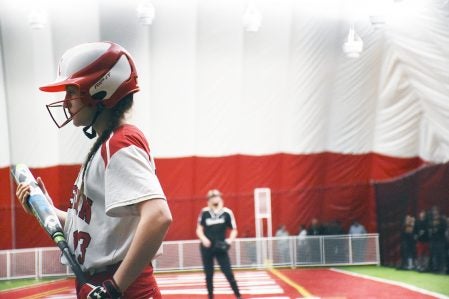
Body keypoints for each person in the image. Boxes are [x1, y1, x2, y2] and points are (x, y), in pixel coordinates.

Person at [15, 42, 172, 299]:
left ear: (100, 91)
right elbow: (95, 227)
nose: (66, 102)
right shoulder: (105, 147)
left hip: (123, 289)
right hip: (104, 286)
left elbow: (158, 216)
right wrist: (45, 209)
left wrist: (113, 288)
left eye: (72, 91)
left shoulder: (120, 143)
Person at [196, 189, 242, 299]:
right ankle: (210, 296)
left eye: (216, 196)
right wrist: (203, 239)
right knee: (209, 275)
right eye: (212, 197)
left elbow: (234, 229)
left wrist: (229, 240)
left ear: (220, 197)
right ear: (209, 200)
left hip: (221, 247)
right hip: (207, 248)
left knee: (228, 272)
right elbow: (199, 229)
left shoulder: (226, 212)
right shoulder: (205, 212)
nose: (214, 198)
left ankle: (238, 295)